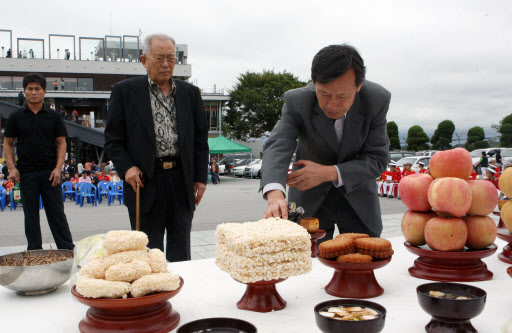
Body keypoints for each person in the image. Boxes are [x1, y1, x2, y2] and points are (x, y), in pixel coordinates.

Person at [260, 44, 390, 241]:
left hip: (359, 200)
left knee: (362, 265)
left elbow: (377, 159)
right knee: (308, 267)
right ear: (314, 83)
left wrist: (328, 173)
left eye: (342, 96)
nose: (332, 105)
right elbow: (278, 143)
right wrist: (275, 193)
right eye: (324, 94)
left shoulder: (376, 99)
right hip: (309, 203)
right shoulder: (298, 101)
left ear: (359, 85)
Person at [104, 33, 209, 262]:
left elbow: (200, 140)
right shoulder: (124, 92)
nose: (166, 64)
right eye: (159, 57)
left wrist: (201, 178)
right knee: (147, 251)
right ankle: (151, 295)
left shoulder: (190, 93)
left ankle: (182, 293)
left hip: (181, 181)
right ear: (144, 60)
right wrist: (127, 167)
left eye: (171, 58)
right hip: (144, 181)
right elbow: (113, 139)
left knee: (181, 248)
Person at [2, 73, 74, 251]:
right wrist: (11, 167)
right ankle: (34, 251)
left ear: (44, 92)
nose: (33, 92)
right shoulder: (16, 117)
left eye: (37, 89)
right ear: (24, 92)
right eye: (30, 89)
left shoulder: (54, 116)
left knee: (56, 213)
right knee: (31, 215)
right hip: (26, 173)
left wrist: (59, 168)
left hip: (51, 173)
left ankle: (66, 251)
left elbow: (61, 142)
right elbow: (8, 143)